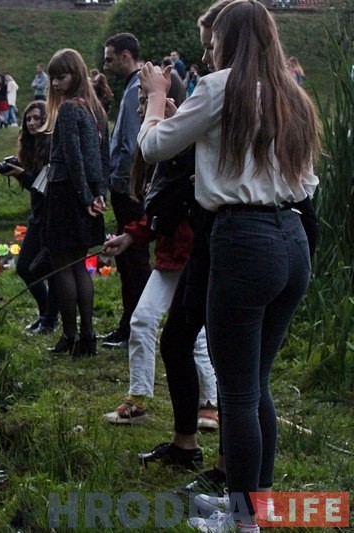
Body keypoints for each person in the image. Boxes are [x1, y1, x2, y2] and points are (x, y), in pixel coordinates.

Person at [137, 1, 320, 531]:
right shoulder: (294, 96)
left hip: (243, 242)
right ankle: (252, 506)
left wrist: (154, 99)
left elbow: (153, 147)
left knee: (239, 392)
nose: (209, 47)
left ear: (231, 39)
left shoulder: (219, 87)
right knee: (256, 384)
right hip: (292, 242)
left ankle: (242, 522)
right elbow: (308, 184)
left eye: (214, 37)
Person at [101, 89, 216, 427]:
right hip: (169, 257)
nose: (141, 111)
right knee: (143, 320)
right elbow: (161, 211)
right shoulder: (159, 154)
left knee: (196, 335)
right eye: (139, 104)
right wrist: (130, 236)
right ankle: (137, 400)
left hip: (196, 255)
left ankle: (210, 403)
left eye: (146, 102)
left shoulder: (192, 146)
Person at [41, 48, 109, 356]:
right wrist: (98, 196)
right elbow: (103, 160)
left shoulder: (69, 109)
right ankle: (88, 337)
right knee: (79, 264)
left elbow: (73, 157)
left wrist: (84, 198)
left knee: (62, 265)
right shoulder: (97, 110)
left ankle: (70, 334)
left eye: (61, 76)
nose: (55, 84)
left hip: (68, 192)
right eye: (52, 78)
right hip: (89, 193)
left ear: (76, 75)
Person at [102, 32, 151, 349]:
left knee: (133, 259)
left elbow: (136, 143)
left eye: (109, 58)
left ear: (125, 56)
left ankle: (135, 326)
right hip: (123, 183)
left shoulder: (136, 89)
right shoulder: (132, 87)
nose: (106, 66)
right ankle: (131, 323)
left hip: (128, 187)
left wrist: (134, 184)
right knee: (129, 258)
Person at [0, 100, 59, 335]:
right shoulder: (29, 145)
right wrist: (18, 173)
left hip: (52, 215)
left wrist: (23, 174)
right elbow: (34, 184)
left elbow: (45, 184)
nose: (32, 123)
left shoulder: (52, 145)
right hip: (37, 214)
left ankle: (50, 320)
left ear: (46, 120)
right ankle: (45, 313)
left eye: (37, 118)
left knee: (50, 269)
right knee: (24, 267)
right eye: (29, 119)